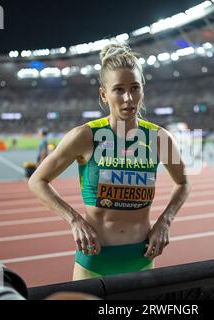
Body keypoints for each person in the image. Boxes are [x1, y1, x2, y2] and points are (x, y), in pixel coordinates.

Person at [28, 44, 190, 281]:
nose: (128, 98)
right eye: (118, 89)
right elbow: (37, 181)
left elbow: (183, 182)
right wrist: (74, 220)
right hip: (94, 260)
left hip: (141, 258)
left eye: (135, 88)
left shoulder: (159, 139)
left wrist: (165, 222)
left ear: (143, 90)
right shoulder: (85, 136)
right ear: (104, 94)